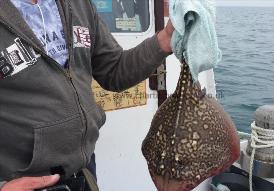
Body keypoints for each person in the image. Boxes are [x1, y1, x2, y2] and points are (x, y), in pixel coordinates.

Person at [0, 0, 174, 190]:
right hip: (19, 180)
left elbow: (114, 70)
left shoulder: (79, 5)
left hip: (83, 171)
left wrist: (165, 39)